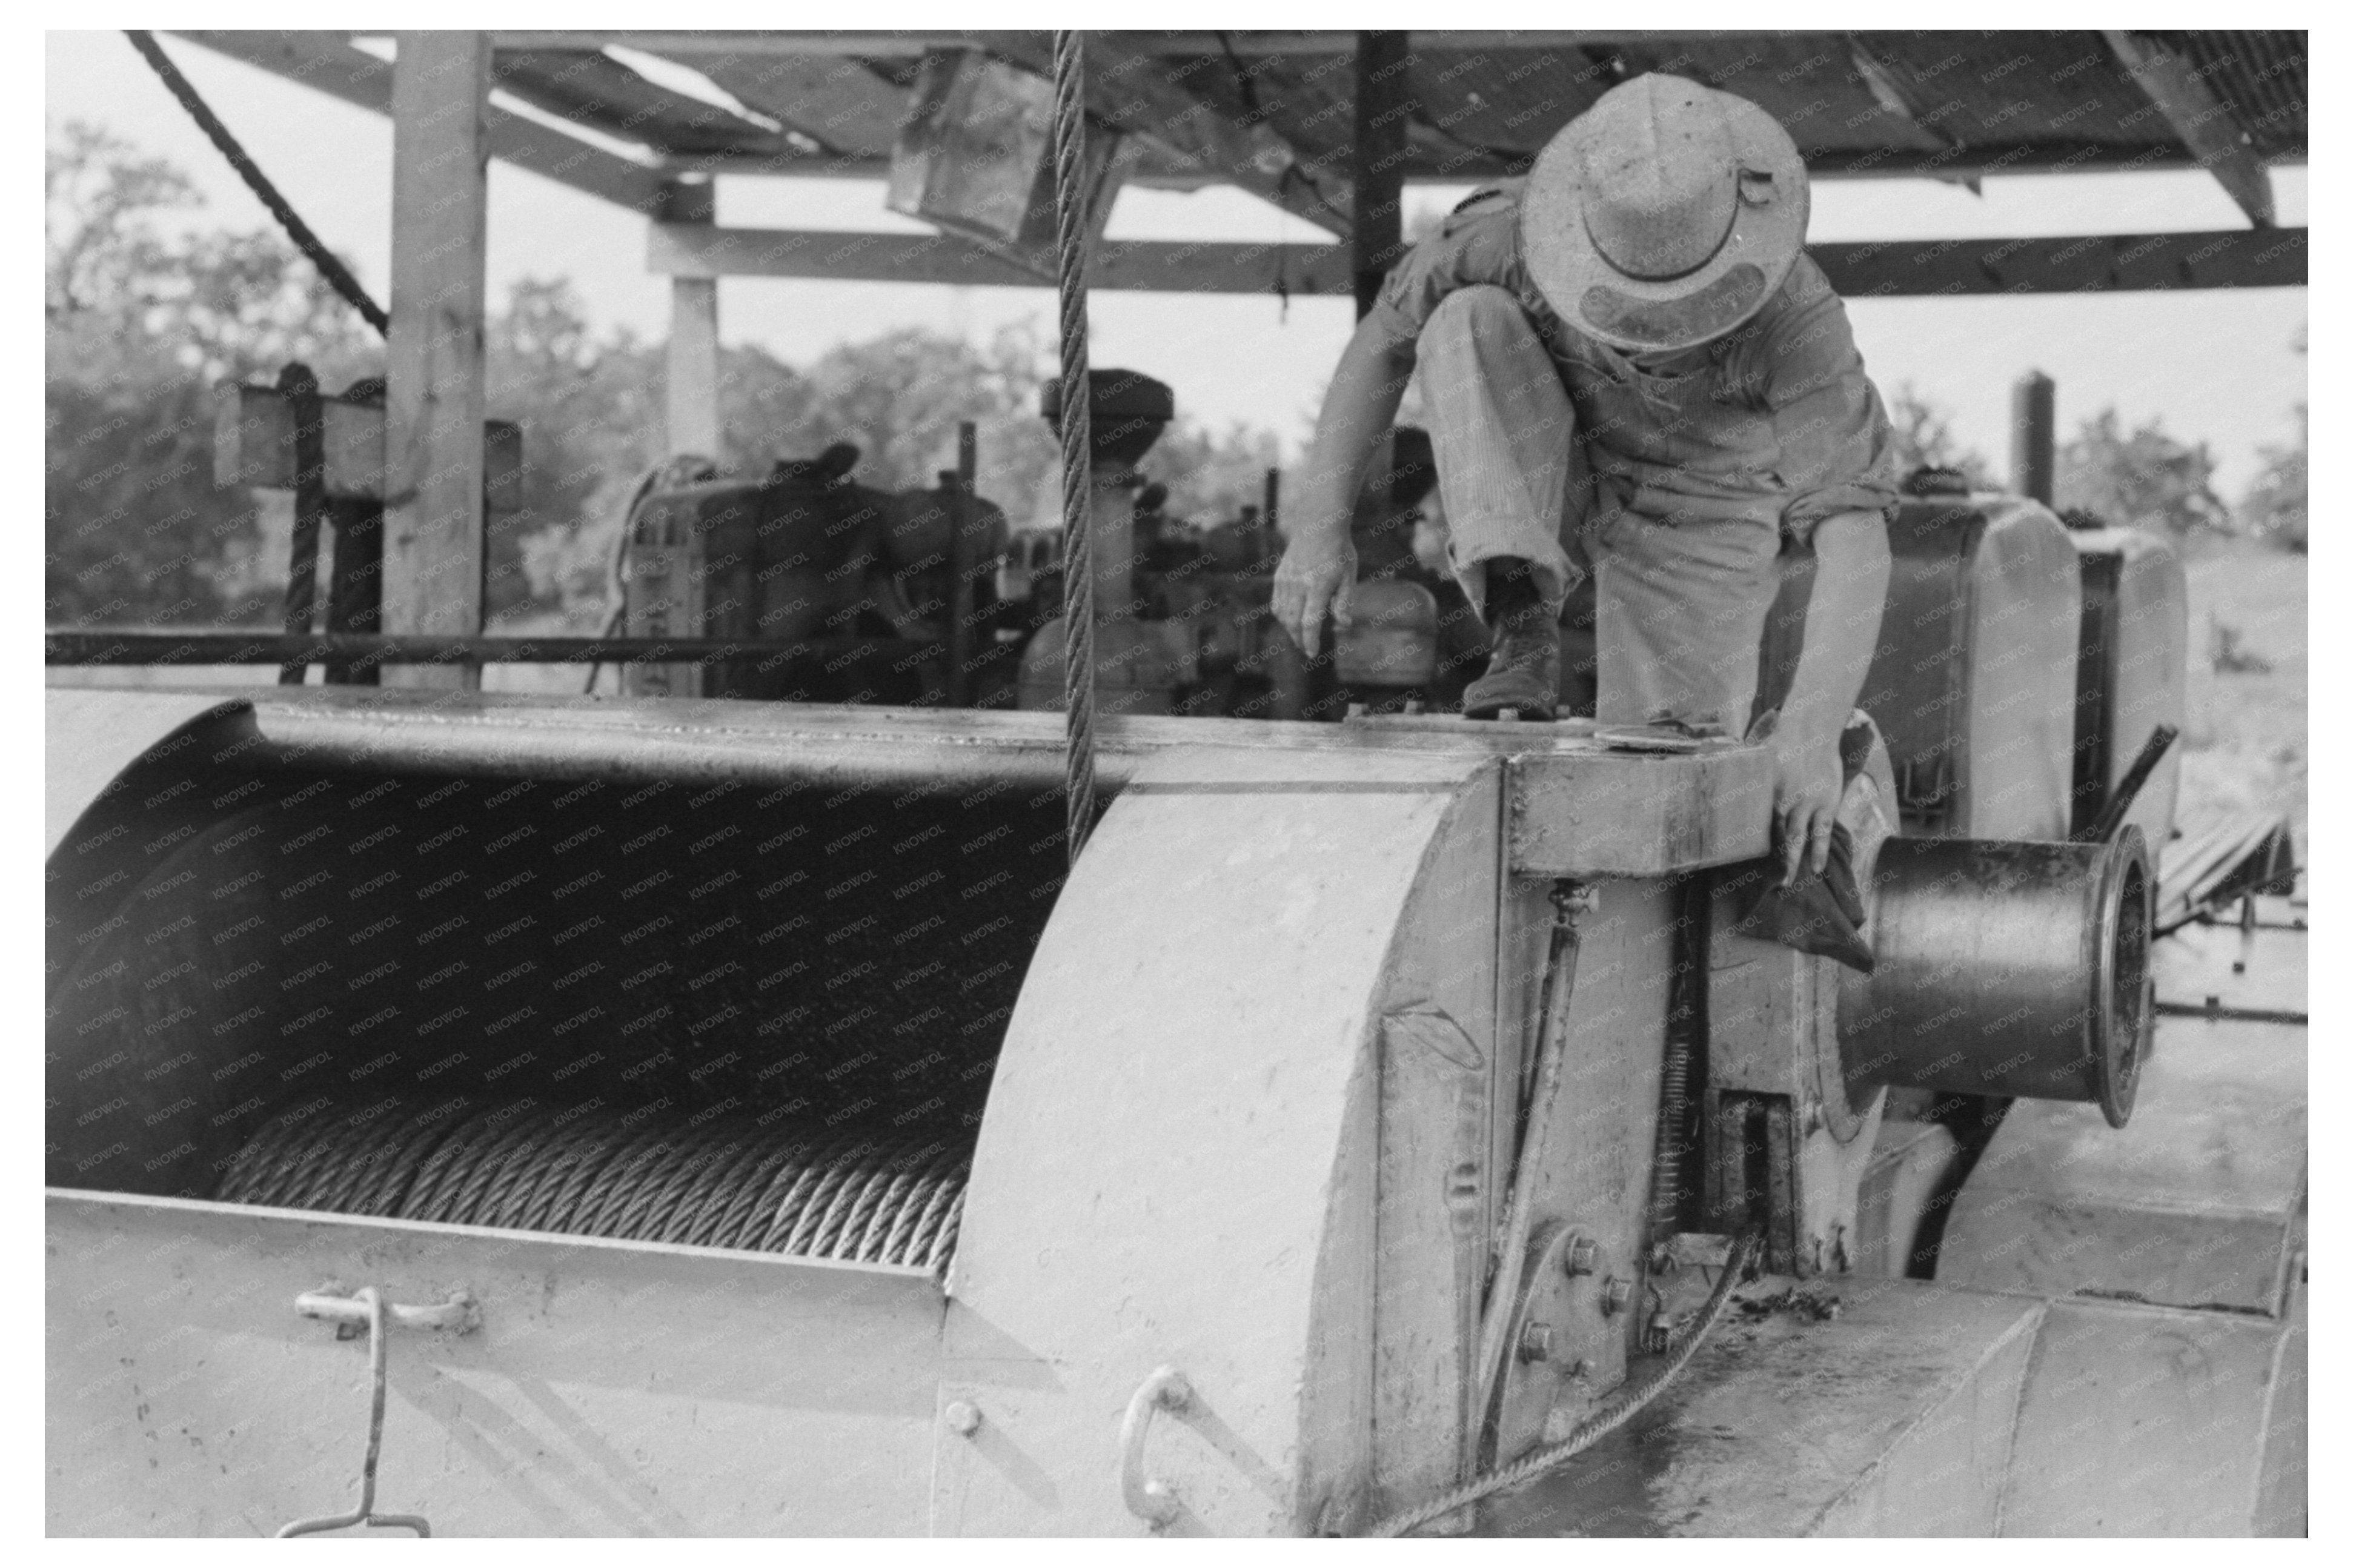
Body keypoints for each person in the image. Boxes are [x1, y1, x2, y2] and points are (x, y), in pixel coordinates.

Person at [1273, 73, 1897, 883]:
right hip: (1557, 440)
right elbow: (1383, 341)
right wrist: (1320, 529)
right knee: (1463, 321)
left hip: (1704, 498)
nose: (1655, 333)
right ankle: (1519, 609)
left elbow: (1855, 537)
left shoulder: (1800, 321)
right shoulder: (1505, 236)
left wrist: (1810, 739)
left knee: (1669, 779)